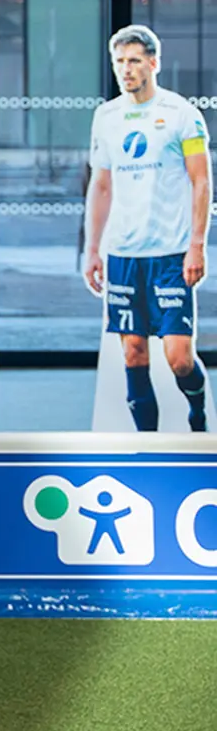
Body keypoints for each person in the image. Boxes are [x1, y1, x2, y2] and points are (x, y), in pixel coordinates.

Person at [83, 24, 212, 431]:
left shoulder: (182, 115)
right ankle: (149, 445)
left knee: (178, 358)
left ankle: (197, 412)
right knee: (134, 353)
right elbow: (100, 186)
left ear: (153, 63)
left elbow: (201, 181)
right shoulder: (106, 117)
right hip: (124, 254)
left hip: (171, 254)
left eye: (135, 60)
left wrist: (197, 245)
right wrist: (92, 249)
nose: (126, 69)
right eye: (119, 61)